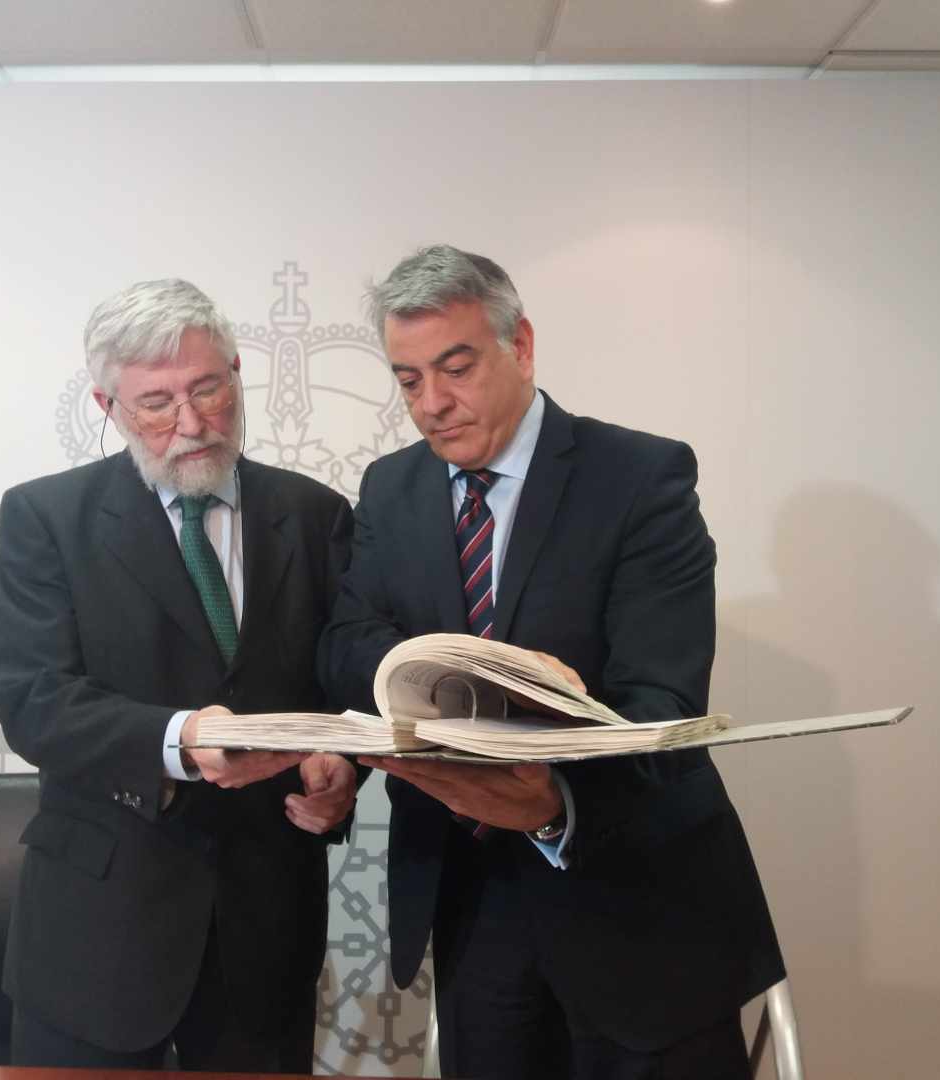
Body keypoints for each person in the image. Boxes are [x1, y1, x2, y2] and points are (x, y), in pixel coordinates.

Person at [319, 245, 783, 1079]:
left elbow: (662, 702)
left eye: (454, 369)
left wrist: (549, 801)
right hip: (471, 899)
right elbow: (346, 641)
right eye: (408, 379)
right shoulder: (393, 487)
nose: (432, 405)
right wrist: (445, 676)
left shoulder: (641, 477)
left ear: (521, 345)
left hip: (636, 898)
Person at [0, 278, 357, 1072]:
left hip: (266, 930)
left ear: (237, 370)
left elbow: (339, 692)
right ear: (107, 406)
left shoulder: (318, 516)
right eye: (156, 402)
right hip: (96, 935)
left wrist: (340, 767)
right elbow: (32, 699)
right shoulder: (46, 519)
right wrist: (182, 738)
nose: (190, 424)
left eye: (208, 388)